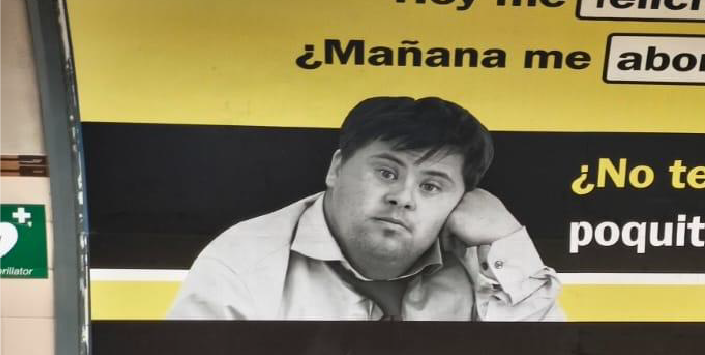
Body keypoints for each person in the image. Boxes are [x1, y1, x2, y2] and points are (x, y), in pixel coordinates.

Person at [168, 96, 564, 320]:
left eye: (430, 186)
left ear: (459, 201)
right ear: (336, 168)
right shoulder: (242, 260)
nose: (403, 197)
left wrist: (510, 244)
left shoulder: (487, 262)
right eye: (387, 173)